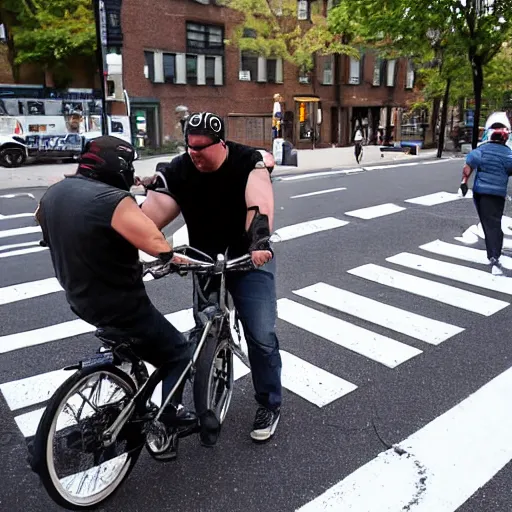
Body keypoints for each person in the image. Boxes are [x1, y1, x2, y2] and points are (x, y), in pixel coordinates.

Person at [137, 112, 282, 443]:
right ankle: (204, 379)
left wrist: (259, 242)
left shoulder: (246, 160)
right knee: (203, 331)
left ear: (221, 142)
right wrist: (130, 241)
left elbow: (258, 206)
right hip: (203, 260)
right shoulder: (180, 169)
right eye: (190, 147)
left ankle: (269, 403)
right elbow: (149, 218)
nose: (195, 154)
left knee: (260, 334)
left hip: (248, 258)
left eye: (202, 148)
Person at [35, 135, 195, 426]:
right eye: (129, 165)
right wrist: (174, 258)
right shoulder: (114, 200)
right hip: (122, 305)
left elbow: (45, 224)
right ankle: (170, 415)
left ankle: (130, 389)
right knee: (178, 354)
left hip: (79, 299)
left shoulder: (54, 193)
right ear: (119, 164)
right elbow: (157, 244)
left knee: (137, 347)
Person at [459, 117, 512, 275]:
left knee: (488, 222)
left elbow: (468, 165)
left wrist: (464, 182)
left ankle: (494, 254)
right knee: (493, 222)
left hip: (481, 192)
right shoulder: (508, 154)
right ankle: (495, 252)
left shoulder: (481, 150)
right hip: (497, 194)